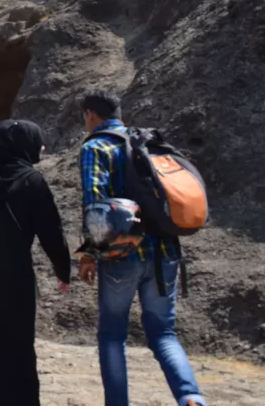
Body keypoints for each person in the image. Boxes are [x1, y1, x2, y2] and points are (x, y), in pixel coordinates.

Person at [77, 90, 206, 406]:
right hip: (165, 253)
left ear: (90, 115)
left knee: (112, 335)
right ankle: (190, 398)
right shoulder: (146, 145)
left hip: (122, 255)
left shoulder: (96, 147)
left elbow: (95, 204)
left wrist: (88, 255)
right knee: (163, 334)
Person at [0, 119, 71, 406]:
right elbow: (51, 231)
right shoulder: (32, 181)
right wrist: (63, 270)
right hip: (11, 274)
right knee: (16, 339)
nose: (41, 146)